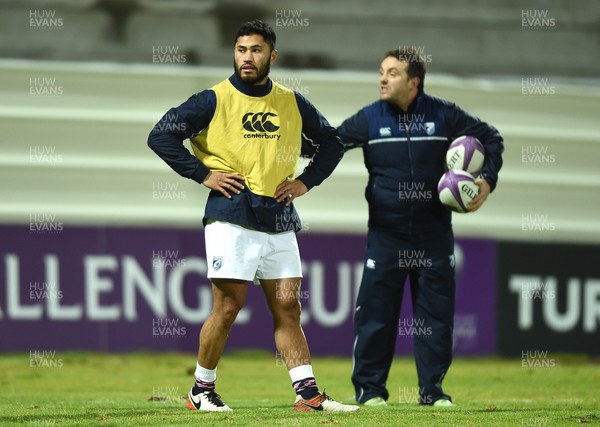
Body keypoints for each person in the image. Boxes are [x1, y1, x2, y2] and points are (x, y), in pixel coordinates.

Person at [147, 20, 358, 413]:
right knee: (228, 307)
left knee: (288, 307)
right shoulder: (213, 99)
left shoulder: (292, 102)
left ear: (271, 56)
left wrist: (306, 182)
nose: (247, 57)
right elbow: (160, 135)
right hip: (232, 214)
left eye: (256, 50)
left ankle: (307, 394)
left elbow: (332, 142)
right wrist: (203, 173)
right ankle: (201, 391)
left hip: (278, 217)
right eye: (241, 49)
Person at [337, 48, 504, 407]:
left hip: (433, 235)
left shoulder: (444, 114)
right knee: (376, 317)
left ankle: (432, 393)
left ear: (413, 83)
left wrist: (486, 182)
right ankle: (369, 391)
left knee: (436, 319)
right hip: (386, 235)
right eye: (381, 71)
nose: (382, 79)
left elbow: (492, 139)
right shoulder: (368, 119)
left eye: (392, 73)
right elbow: (328, 147)